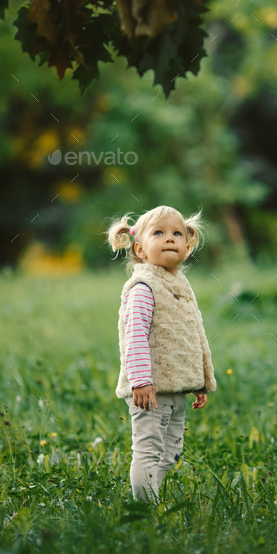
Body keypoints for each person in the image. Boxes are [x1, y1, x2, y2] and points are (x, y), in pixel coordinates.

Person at [106, 205, 217, 503]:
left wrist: (200, 382)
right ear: (140, 249)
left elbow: (190, 336)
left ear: (187, 246)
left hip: (175, 390)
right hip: (150, 390)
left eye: (177, 233)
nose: (170, 239)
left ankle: (150, 494)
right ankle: (144, 510)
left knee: (170, 453)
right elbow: (135, 336)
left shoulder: (180, 285)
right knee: (149, 450)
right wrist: (140, 381)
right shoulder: (143, 287)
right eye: (159, 233)